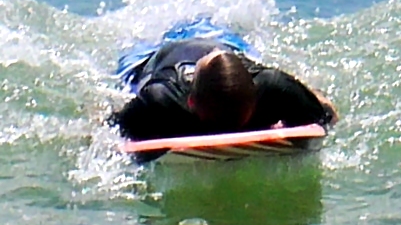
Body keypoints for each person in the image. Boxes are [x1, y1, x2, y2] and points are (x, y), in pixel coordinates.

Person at [111, 23, 337, 142]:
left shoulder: (273, 86)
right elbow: (111, 125)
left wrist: (311, 100)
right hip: (151, 58)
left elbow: (326, 113)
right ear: (189, 101)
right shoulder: (162, 100)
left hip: (224, 43)